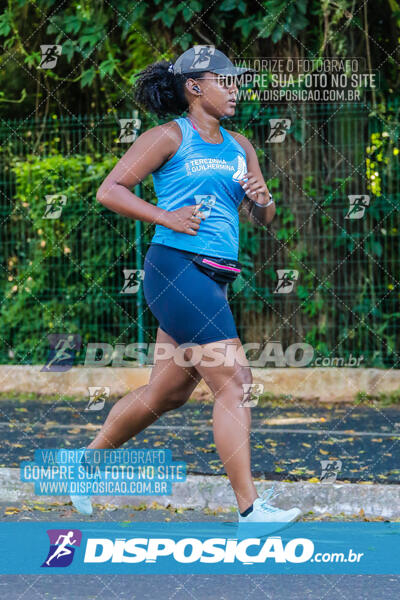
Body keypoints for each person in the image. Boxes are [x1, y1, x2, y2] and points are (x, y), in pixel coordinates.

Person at [70, 46, 301, 526]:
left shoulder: (240, 145)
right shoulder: (168, 137)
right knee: (236, 383)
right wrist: (165, 216)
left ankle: (84, 464)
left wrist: (262, 201)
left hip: (215, 276)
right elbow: (110, 189)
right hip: (175, 267)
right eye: (226, 80)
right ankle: (251, 509)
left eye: (237, 80)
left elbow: (263, 217)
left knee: (167, 394)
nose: (235, 88)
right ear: (195, 87)